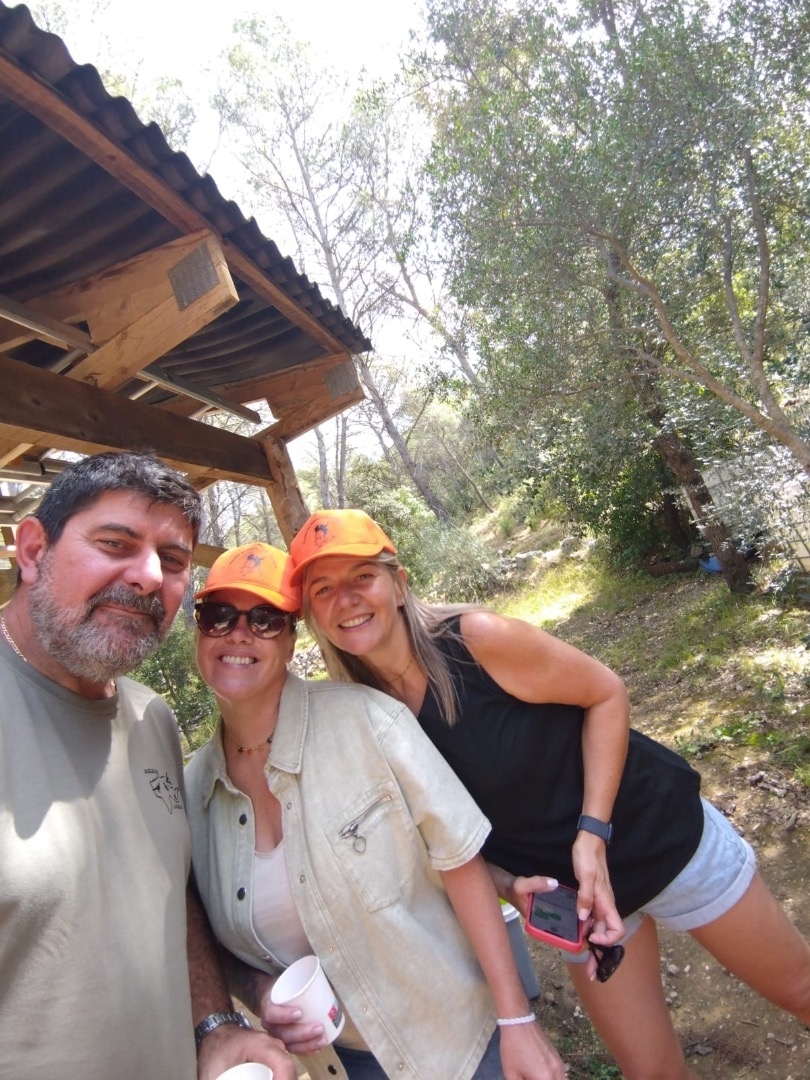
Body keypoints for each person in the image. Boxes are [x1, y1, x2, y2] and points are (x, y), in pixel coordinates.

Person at [289, 508, 810, 1080]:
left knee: (800, 989)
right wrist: (508, 884)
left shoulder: (474, 641)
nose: (346, 599)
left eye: (362, 576)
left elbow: (605, 693)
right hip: (578, 903)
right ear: (312, 614)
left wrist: (593, 833)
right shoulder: (364, 717)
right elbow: (439, 841)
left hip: (656, 833)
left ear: (398, 582)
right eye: (323, 589)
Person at [185, 541, 566, 1080]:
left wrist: (517, 1019)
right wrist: (259, 990)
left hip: (460, 1045)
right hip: (341, 1065)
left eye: (266, 619)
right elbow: (204, 936)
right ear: (199, 632)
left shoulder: (370, 722)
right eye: (218, 616)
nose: (239, 634)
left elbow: (459, 861)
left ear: (291, 639)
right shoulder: (191, 794)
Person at [0, 451, 295, 1080]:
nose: (148, 576)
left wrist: (214, 1025)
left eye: (174, 560)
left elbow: (169, 889)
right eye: (115, 543)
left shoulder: (149, 717)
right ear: (32, 551)